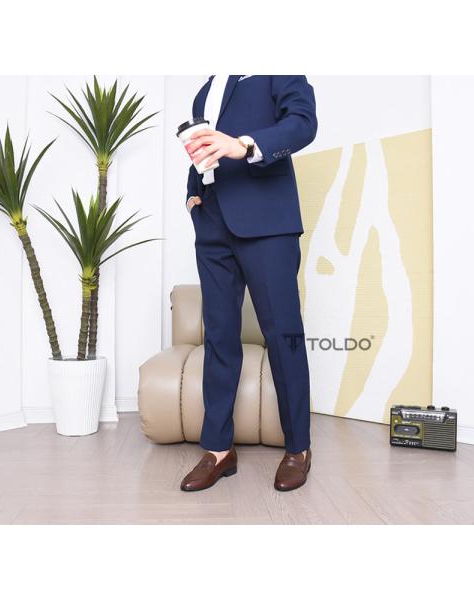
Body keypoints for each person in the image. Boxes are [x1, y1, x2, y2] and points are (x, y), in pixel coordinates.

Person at [180, 75, 318, 492]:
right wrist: (193, 197)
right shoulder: (205, 90)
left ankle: (298, 447)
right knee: (219, 335)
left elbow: (303, 122)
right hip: (213, 224)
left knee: (283, 334)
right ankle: (219, 449)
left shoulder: (276, 68)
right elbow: (203, 150)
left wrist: (245, 144)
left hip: (268, 224)